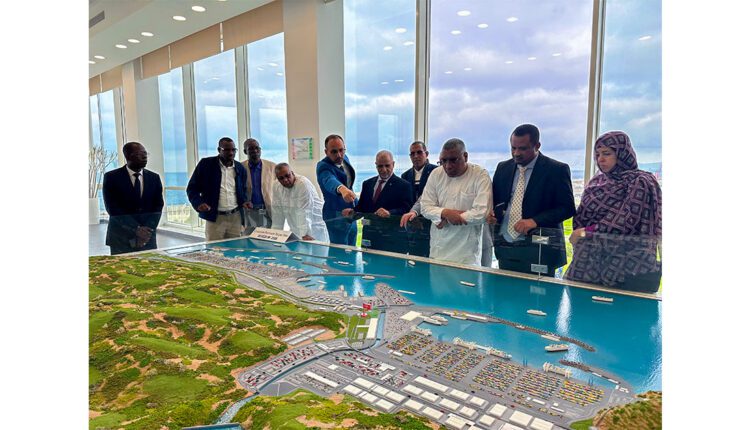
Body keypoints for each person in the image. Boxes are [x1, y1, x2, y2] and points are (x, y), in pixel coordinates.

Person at [565, 131, 662, 292]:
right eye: (597, 154)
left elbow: (626, 220)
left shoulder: (641, 181)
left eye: (607, 153)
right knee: (580, 304)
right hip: (588, 262)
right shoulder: (598, 180)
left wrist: (585, 232)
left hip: (628, 266)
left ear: (622, 154)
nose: (600, 159)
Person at [488, 124, 576, 276]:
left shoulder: (556, 170)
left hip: (540, 249)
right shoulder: (503, 168)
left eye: (523, 149)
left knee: (541, 292)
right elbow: (497, 202)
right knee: (504, 289)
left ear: (537, 146)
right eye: (513, 148)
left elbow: (567, 208)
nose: (516, 153)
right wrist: (492, 214)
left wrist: (535, 221)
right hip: (506, 248)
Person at [403, 138, 492, 266]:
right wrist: (445, 213)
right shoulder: (436, 174)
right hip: (438, 251)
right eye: (443, 161)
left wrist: (449, 217)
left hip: (467, 255)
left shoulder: (479, 175)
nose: (448, 166)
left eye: (453, 160)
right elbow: (425, 207)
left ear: (465, 156)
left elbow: (482, 213)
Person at [343, 150, 414, 254]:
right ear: (376, 165)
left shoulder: (404, 186)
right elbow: (362, 207)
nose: (384, 169)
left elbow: (407, 209)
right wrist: (352, 212)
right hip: (370, 239)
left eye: (387, 165)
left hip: (392, 240)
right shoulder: (367, 184)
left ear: (393, 164)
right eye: (380, 166)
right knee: (367, 265)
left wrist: (390, 213)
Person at [102, 142, 164, 255]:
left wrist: (146, 230)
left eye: (146, 154)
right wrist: (136, 229)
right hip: (121, 237)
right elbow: (112, 208)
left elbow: (158, 205)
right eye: (140, 154)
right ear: (128, 156)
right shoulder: (111, 177)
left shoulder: (154, 177)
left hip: (147, 237)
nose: (145, 157)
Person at [186, 137, 252, 241]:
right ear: (219, 150)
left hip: (235, 217)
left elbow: (242, 190)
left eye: (233, 150)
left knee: (235, 247)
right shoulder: (206, 165)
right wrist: (198, 203)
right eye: (226, 150)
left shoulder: (240, 168)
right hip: (215, 217)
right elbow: (192, 188)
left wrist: (244, 201)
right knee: (214, 248)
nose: (231, 153)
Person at [271, 163, 329, 243]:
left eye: (287, 176)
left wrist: (305, 234)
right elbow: (277, 212)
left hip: (314, 228)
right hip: (295, 229)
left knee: (316, 250)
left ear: (292, 173)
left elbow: (304, 211)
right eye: (281, 178)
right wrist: (275, 234)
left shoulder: (302, 184)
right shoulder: (276, 186)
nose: (285, 180)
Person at [316, 134, 358, 245]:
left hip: (352, 215)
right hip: (335, 218)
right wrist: (342, 189)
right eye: (334, 152)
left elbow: (348, 183)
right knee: (338, 252)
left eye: (341, 150)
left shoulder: (345, 159)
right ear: (326, 152)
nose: (339, 155)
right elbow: (329, 180)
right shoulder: (323, 166)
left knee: (353, 250)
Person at [400, 141, 438, 257]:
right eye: (412, 154)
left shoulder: (436, 172)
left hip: (431, 224)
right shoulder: (405, 176)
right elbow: (405, 201)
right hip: (412, 227)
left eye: (419, 152)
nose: (416, 156)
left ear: (426, 154)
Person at [241, 138, 276, 230]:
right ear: (245, 151)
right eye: (251, 149)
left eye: (257, 148)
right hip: (249, 211)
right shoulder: (240, 167)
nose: (255, 151)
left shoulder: (272, 166)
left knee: (270, 236)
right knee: (250, 236)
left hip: (268, 209)